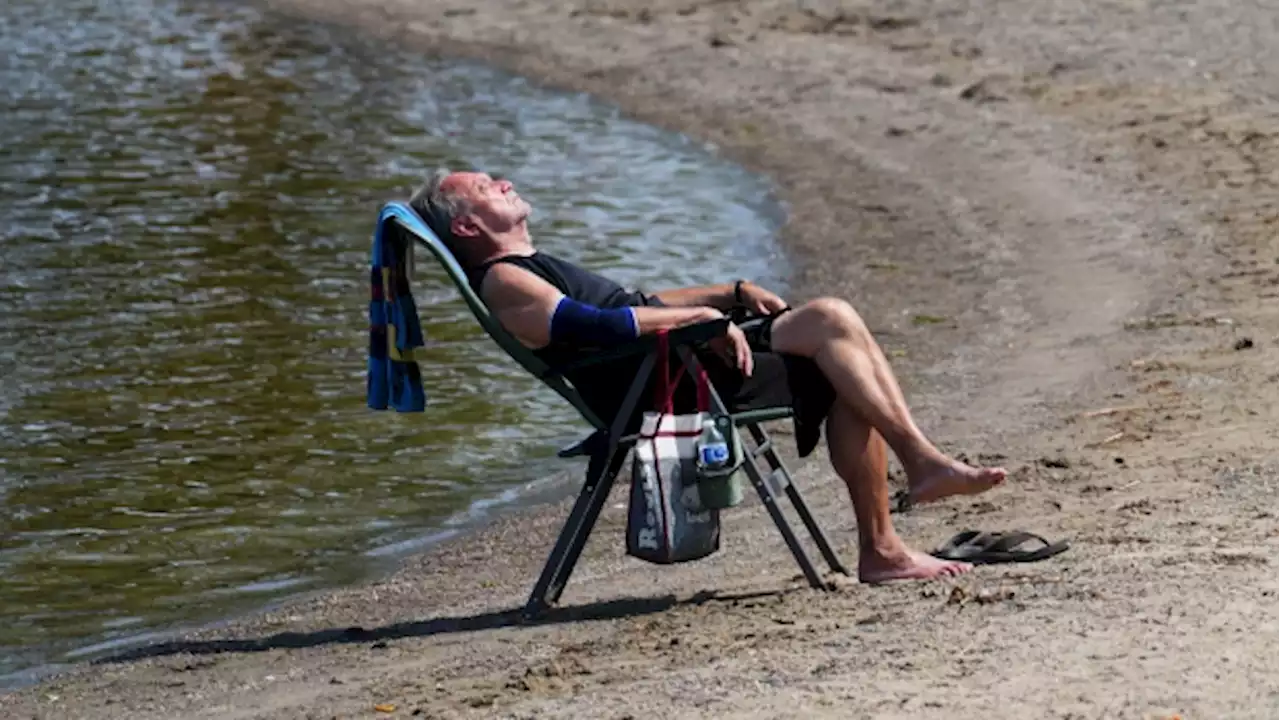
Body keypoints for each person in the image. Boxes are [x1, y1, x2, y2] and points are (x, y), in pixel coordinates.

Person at [410, 169, 1008, 582]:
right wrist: (694, 319)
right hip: (665, 383)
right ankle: (902, 507)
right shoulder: (503, 278)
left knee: (836, 331)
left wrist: (729, 293)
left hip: (676, 361)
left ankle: (899, 517)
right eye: (488, 187)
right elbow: (582, 324)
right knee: (835, 338)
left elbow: (634, 300)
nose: (505, 183)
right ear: (466, 227)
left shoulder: (527, 265)